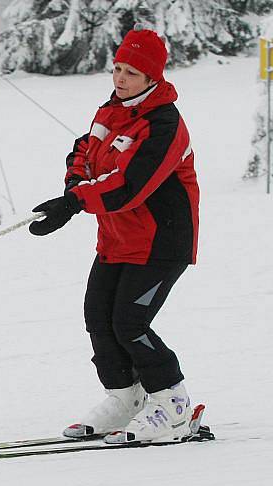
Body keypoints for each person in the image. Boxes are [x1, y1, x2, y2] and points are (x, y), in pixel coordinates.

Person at [28, 27, 199, 444]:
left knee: (130, 322)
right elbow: (84, 151)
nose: (120, 79)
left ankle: (173, 404)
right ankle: (125, 398)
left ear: (153, 77)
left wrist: (75, 202)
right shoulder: (112, 110)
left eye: (132, 73)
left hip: (162, 241)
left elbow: (129, 184)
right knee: (99, 317)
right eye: (118, 69)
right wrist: (73, 190)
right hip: (118, 236)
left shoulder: (165, 125)